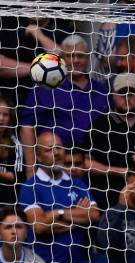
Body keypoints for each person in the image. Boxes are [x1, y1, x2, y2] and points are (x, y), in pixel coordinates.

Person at [18, 132, 98, 263]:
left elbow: (93, 215)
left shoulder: (77, 183)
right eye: (49, 149)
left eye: (59, 148)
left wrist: (57, 213)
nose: (57, 153)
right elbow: (39, 226)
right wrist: (77, 218)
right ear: (38, 155)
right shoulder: (31, 187)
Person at [19, 34, 110, 178]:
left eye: (80, 56)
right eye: (70, 56)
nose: (76, 61)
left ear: (87, 58)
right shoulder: (46, 86)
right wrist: (31, 170)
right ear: (62, 59)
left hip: (94, 168)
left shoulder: (100, 90)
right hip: (54, 166)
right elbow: (26, 128)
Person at [86, 73, 135, 209]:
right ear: (113, 95)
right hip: (108, 201)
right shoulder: (100, 125)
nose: (127, 98)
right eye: (122, 93)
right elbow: (85, 163)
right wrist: (117, 171)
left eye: (132, 93)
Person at [0, 96, 23, 205]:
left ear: (10, 118)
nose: (1, 118)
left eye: (5, 115)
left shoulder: (15, 143)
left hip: (6, 196)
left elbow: (16, 176)